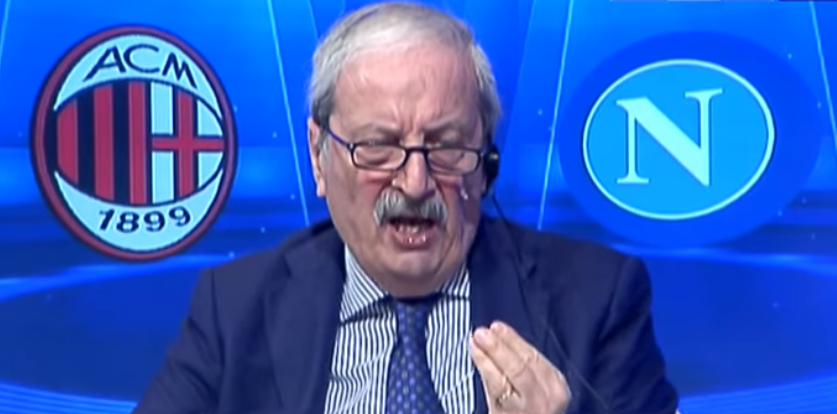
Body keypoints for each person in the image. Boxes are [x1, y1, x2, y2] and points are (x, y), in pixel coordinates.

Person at [133, 2, 679, 414]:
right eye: (378, 146)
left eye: (447, 147)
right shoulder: (234, 307)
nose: (415, 183)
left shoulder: (597, 300)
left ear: (486, 162)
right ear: (319, 157)